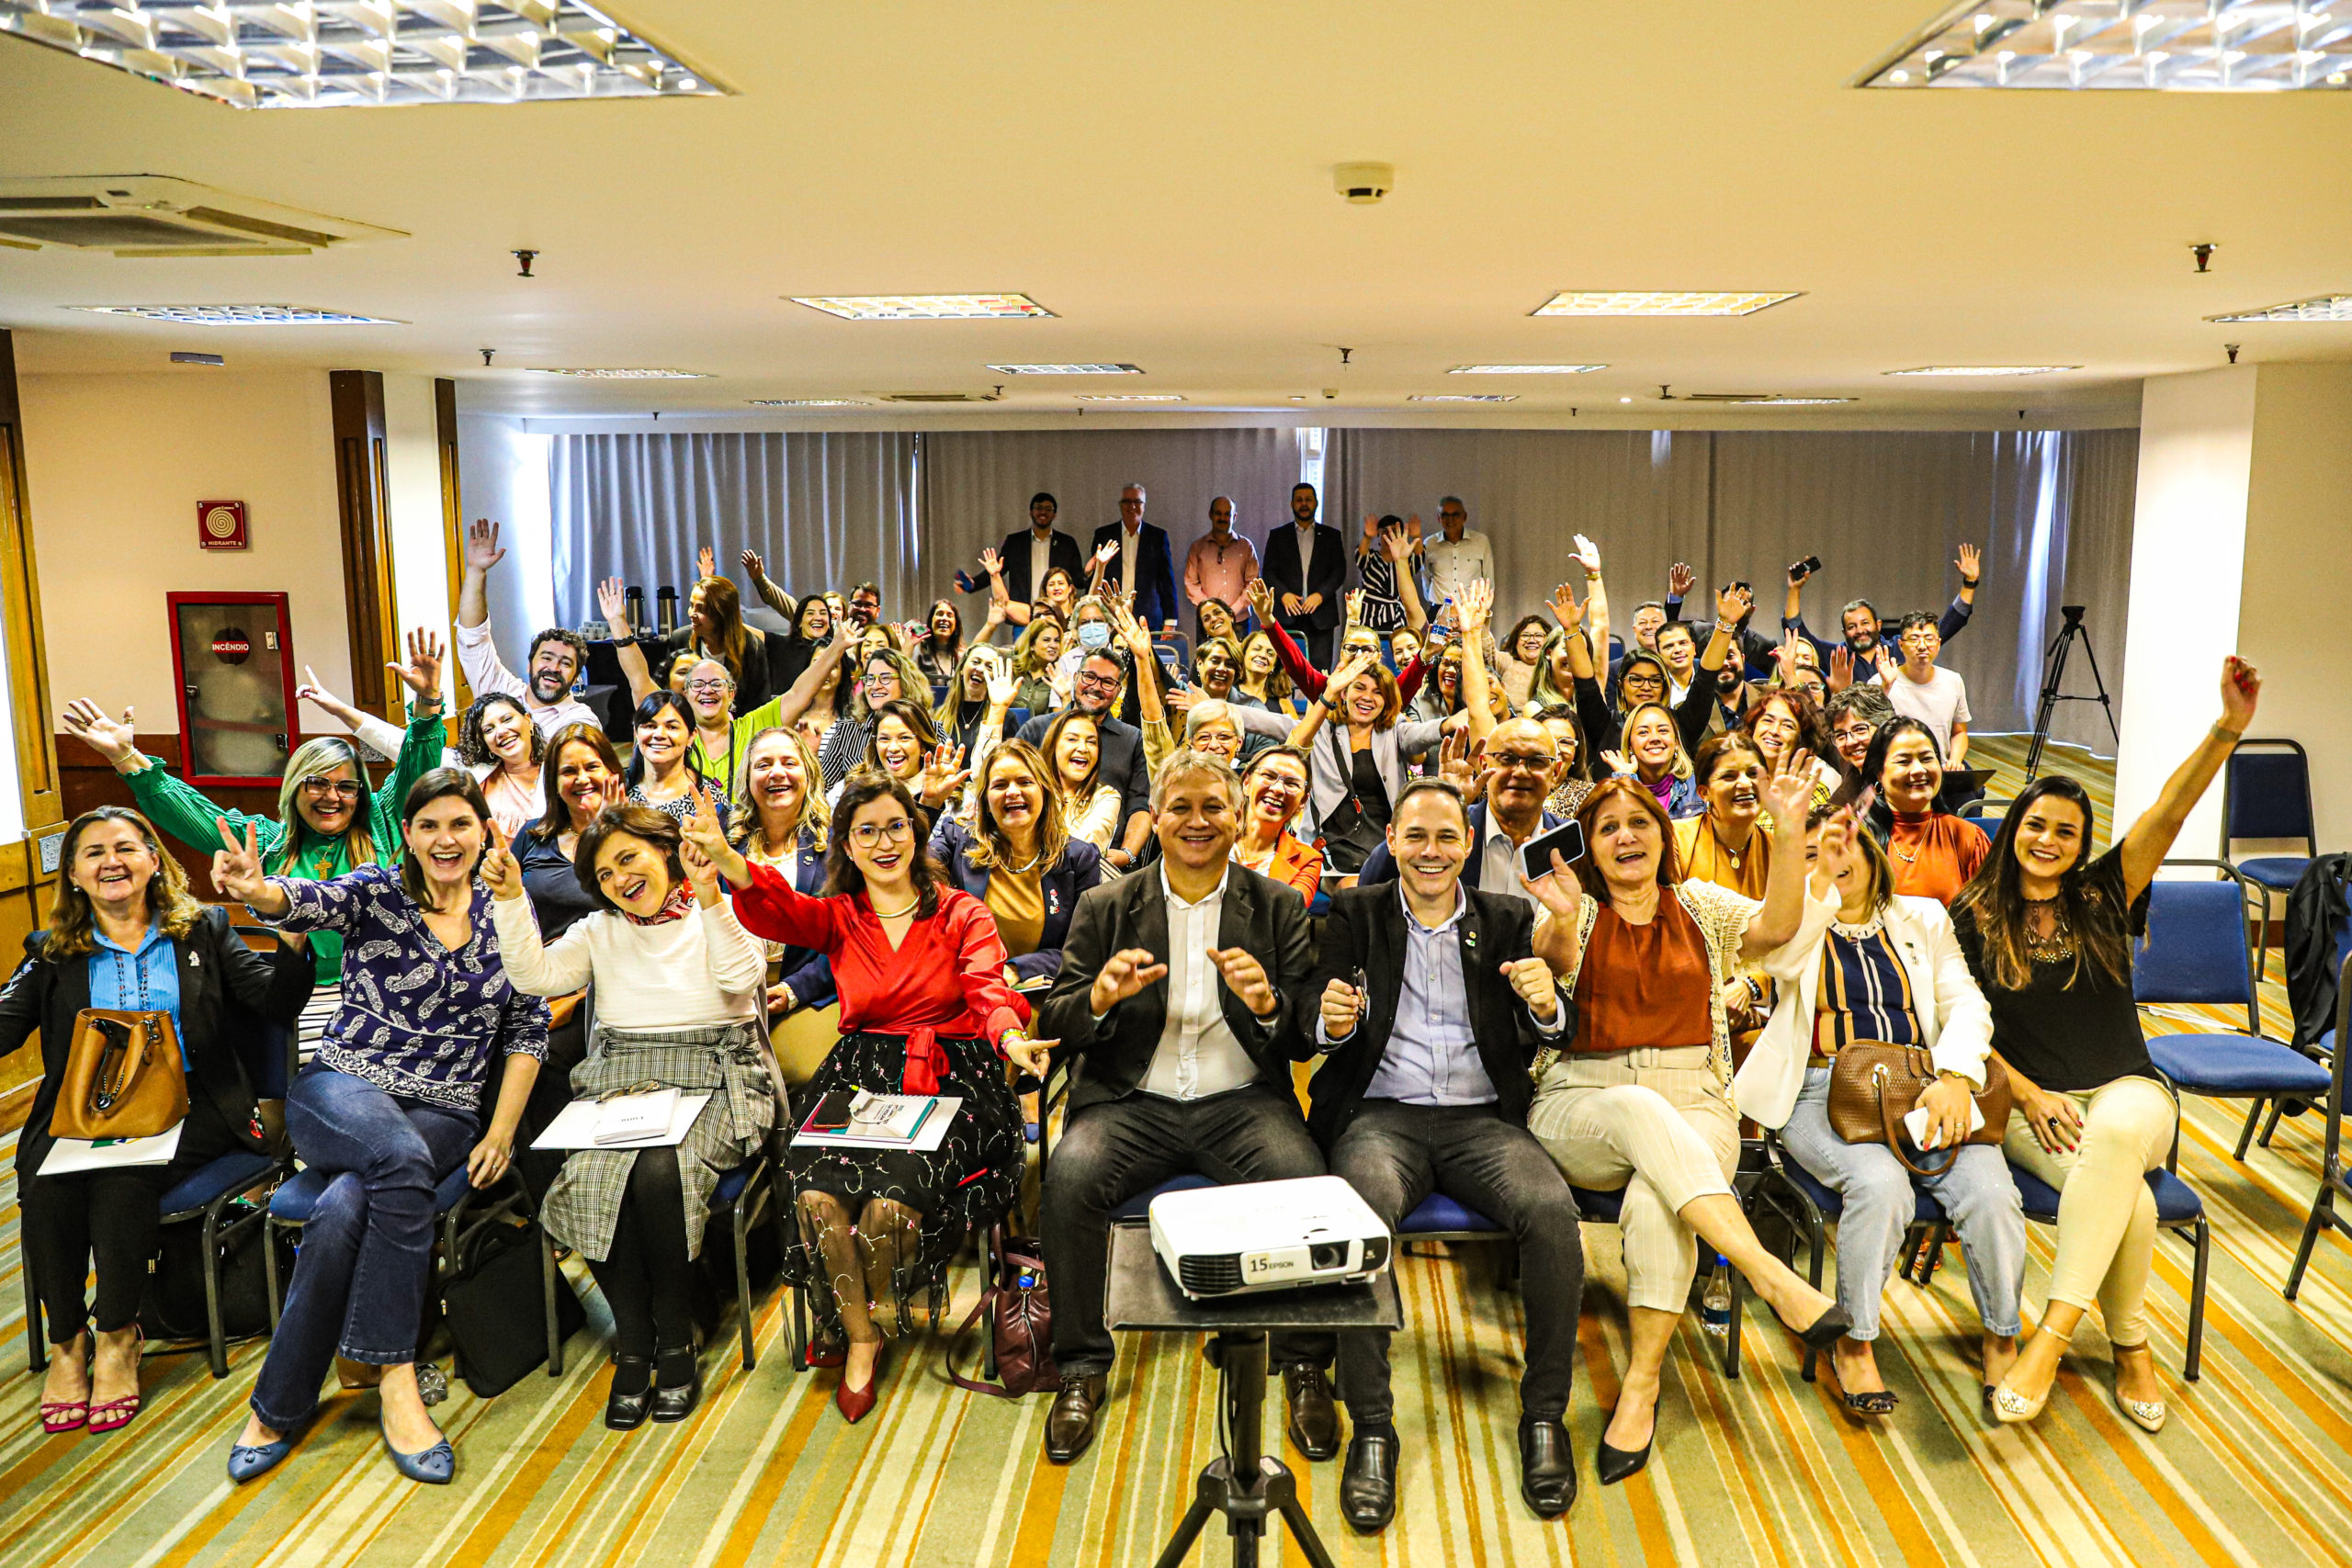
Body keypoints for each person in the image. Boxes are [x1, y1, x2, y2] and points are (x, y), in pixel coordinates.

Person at [220, 770, 548, 1486]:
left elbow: (529, 1024)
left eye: (459, 823)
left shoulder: (508, 909)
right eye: (427, 824)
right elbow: (304, 899)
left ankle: (274, 1406)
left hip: (447, 1109)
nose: (444, 839)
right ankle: (393, 1370)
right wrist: (256, 889)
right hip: (341, 1087)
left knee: (343, 1206)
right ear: (407, 832)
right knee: (395, 1159)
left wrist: (500, 1130)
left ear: (484, 830)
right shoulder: (376, 888)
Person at [1959, 656, 2261, 1432]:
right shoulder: (1973, 917)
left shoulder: (2102, 896)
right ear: (2011, 830)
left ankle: (2050, 1339)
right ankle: (2132, 1346)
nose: (2049, 840)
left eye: (2067, 830)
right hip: (2036, 1110)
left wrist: (2227, 729)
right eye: (2035, 824)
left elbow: (2170, 808)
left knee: (2120, 1136)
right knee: (2121, 1193)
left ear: (2084, 843)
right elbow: (1955, 1027)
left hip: (2131, 1092)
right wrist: (2025, 1091)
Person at [1521, 774, 1850, 1485]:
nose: (1625, 836)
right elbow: (1554, 961)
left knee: (1655, 1198)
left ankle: (1640, 1384)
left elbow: (1776, 928)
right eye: (1606, 827)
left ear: (1663, 835)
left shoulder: (1699, 904)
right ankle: (1767, 1273)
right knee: (1641, 1113)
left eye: (1638, 822)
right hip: (1582, 1099)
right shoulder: (1572, 909)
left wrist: (1790, 833)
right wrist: (1560, 914)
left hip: (1696, 1096)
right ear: (1590, 847)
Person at [695, 773, 1053, 1424]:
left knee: (892, 1205)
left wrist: (1010, 1039)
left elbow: (987, 986)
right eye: (866, 831)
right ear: (847, 845)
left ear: (917, 833)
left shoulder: (959, 911)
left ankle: (851, 1314)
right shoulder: (840, 915)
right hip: (859, 1075)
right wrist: (724, 858)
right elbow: (776, 909)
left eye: (896, 826)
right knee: (814, 1194)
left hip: (951, 1072)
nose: (884, 841)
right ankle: (863, 1331)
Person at [1035, 751, 1333, 1463]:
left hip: (1240, 1101)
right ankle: (1080, 1365)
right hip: (1131, 1102)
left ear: (1237, 816)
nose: (1197, 821)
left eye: (1213, 807)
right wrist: (1099, 997)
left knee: (1306, 1178)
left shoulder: (1277, 905)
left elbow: (1297, 1033)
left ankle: (1302, 1363)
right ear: (1157, 819)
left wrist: (1267, 1005)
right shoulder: (1108, 905)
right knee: (1069, 1179)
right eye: (1180, 808)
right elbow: (1060, 1017)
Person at [1309, 779, 1584, 1525]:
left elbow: (1559, 1026)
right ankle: (1372, 1425)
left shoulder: (1506, 917)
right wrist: (1332, 1022)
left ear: (1466, 845)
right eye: (1416, 836)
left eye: (1446, 837)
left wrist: (1546, 1001)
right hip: (1381, 1118)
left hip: (1481, 1120)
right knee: (1357, 1221)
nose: (1431, 850)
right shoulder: (1354, 914)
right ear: (1391, 842)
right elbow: (1314, 1016)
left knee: (1552, 1214)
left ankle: (1544, 1416)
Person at [11, 807, 312, 1437]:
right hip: (83, 1112)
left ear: (154, 859)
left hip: (194, 1105)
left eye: (125, 847)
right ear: (73, 873)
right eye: (93, 852)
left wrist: (289, 931)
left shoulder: (202, 930)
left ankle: (118, 1333)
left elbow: (275, 1003)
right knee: (47, 1182)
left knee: (120, 1178)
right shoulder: (52, 951)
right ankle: (68, 1341)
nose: (110, 861)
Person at [486, 799, 773, 1429]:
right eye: (605, 872)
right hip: (622, 1078)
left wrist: (709, 894)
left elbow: (740, 976)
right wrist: (510, 897)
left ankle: (674, 1341)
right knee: (590, 1175)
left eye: (629, 859)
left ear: (665, 852)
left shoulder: (713, 909)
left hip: (716, 1075)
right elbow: (535, 976)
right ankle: (635, 1343)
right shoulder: (599, 930)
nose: (620, 879)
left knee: (657, 1172)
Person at [1735, 804, 2022, 1416]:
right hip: (1821, 1093)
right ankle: (1857, 1343)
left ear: (1871, 851)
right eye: (1815, 853)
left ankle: (2001, 1335)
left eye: (1844, 846)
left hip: (1924, 1089)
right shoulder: (1796, 926)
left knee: (1992, 1191)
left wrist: (1953, 1077)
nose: (1835, 860)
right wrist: (1816, 887)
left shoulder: (1922, 917)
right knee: (1880, 1183)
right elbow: (1780, 965)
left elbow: (1966, 1003)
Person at [62, 632, 452, 1059]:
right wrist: (128, 759)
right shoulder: (266, 841)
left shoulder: (382, 819)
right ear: (294, 787)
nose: (331, 796)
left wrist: (429, 704)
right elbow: (194, 814)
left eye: (346, 786)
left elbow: (418, 761)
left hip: (394, 982)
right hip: (307, 994)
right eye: (317, 783)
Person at [931, 740, 1101, 985]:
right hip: (963, 993)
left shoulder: (1078, 859)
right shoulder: (957, 840)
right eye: (1000, 785)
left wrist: (1015, 971)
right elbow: (908, 872)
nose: (1012, 792)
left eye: (1024, 782)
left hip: (1040, 997)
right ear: (986, 803)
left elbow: (1086, 950)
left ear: (1044, 790)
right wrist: (929, 803)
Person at [1358, 716, 1568, 904]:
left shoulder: (1571, 844)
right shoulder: (1452, 830)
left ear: (1556, 773)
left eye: (1538, 762)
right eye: (1507, 759)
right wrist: (1441, 805)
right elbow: (1371, 884)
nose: (1521, 772)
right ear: (1484, 766)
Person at [1288, 649, 1453, 879]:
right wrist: (1223, 710)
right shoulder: (1322, 730)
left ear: (1386, 701)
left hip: (1389, 846)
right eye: (1360, 688)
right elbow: (1289, 742)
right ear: (1344, 692)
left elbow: (1424, 733)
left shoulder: (1395, 730)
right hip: (1336, 853)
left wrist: (1453, 723)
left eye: (1378, 692)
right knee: (1358, 894)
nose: (1368, 697)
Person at [728, 727, 839, 1029]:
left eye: (789, 763)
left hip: (805, 987)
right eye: (763, 765)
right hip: (726, 992)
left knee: (802, 1074)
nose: (777, 773)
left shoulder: (837, 844)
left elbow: (852, 935)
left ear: (809, 774)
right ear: (747, 778)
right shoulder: (722, 841)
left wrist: (795, 990)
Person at [1014, 644, 1154, 872]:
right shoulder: (1036, 728)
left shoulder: (1133, 739)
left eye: (1107, 682)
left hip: (1106, 861)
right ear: (1076, 677)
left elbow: (1141, 805)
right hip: (1034, 855)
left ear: (1118, 690)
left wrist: (1126, 855)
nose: (1096, 687)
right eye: (1089, 677)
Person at [455, 519, 599, 736]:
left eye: (566, 663)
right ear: (529, 665)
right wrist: (476, 571)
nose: (554, 668)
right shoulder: (501, 690)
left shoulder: (580, 720)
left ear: (577, 676)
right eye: (547, 658)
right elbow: (473, 637)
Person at [1782, 544, 1982, 666]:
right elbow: (1796, 634)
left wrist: (1969, 583)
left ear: (1878, 626)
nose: (1860, 630)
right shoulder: (1837, 657)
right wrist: (1794, 590)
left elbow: (1949, 624)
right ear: (1844, 633)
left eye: (1865, 623)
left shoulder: (1900, 648)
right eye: (1852, 627)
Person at [1861, 718, 1986, 906]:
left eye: (1927, 758)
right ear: (1879, 773)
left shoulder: (1966, 837)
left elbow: (1994, 917)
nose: (1919, 770)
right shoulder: (1859, 838)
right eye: (1904, 761)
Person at [518, 725, 624, 941]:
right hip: (542, 965)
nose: (582, 779)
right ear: (554, 783)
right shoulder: (531, 835)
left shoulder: (637, 837)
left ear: (612, 772)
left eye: (592, 767)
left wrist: (607, 830)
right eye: (569, 771)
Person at [1673, 733, 1774, 900]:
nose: (1745, 784)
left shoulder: (1778, 850)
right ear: (1704, 792)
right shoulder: (1676, 839)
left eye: (1753, 774)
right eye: (1729, 776)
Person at [819, 644, 929, 789]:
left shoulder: (929, 728)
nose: (875, 686)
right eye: (870, 678)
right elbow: (824, 790)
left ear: (905, 682)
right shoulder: (845, 731)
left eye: (885, 678)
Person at [1261, 481, 1348, 666]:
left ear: (1316, 503)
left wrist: (1320, 595)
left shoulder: (1332, 536)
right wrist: (1283, 595)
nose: (1304, 504)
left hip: (1321, 615)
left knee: (1320, 673)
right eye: (1299, 500)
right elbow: (1268, 572)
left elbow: (1339, 572)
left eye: (1308, 499)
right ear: (1292, 504)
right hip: (1286, 614)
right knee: (1282, 671)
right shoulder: (1278, 536)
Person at [1878, 613, 1972, 775]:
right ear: (1900, 644)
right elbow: (1872, 731)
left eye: (1929, 639)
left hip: (1941, 768)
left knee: (1973, 793)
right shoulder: (1882, 681)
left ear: (1938, 643)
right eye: (1914, 639)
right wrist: (1886, 685)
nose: (1922, 645)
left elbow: (1959, 732)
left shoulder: (1953, 680)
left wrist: (1955, 760)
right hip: (1899, 770)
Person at [626, 690, 729, 831]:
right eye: (650, 726)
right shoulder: (618, 790)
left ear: (691, 736)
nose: (659, 734)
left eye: (672, 727)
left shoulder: (709, 799)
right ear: (636, 733)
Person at [1232, 744, 1321, 902]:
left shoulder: (1307, 861)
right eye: (1269, 776)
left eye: (1292, 783)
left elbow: (1286, 914)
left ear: (1303, 801)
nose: (1278, 789)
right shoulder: (1211, 838)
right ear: (1246, 783)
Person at [1090, 483, 1181, 632]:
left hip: (1148, 618)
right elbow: (1096, 578)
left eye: (1137, 502)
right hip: (1110, 616)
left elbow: (1167, 581)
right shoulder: (1104, 534)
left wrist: (1170, 621)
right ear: (1120, 505)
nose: (1132, 506)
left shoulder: (1157, 536)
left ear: (1144, 506)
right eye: (1127, 501)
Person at [974, 491, 1083, 615]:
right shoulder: (1015, 542)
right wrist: (969, 585)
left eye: (1048, 509)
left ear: (1054, 515)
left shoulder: (1067, 543)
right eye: (1038, 508)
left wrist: (1094, 566)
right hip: (1023, 614)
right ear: (1031, 512)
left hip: (1059, 614)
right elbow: (997, 570)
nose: (1043, 512)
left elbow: (1078, 580)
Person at [1183, 495, 1261, 639]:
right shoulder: (1198, 547)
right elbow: (1191, 584)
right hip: (1208, 623)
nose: (1223, 518)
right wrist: (1213, 612)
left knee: (1239, 662)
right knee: (1207, 662)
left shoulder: (1246, 547)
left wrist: (1231, 612)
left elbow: (1253, 584)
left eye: (1227, 514)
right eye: (1218, 513)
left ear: (1234, 517)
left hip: (1238, 622)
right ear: (1210, 515)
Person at [1419, 495, 1492, 609]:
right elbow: (1426, 578)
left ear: (1465, 517)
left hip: (1471, 611)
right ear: (1439, 518)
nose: (1450, 520)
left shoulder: (1481, 542)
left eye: (1455, 515)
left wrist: (1482, 609)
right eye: (1445, 515)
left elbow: (1488, 579)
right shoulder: (1429, 544)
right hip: (1439, 612)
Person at [1008, 616, 1068, 717]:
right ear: (1032, 644)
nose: (1053, 645)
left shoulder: (1059, 676)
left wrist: (1066, 695)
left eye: (1057, 640)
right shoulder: (1011, 665)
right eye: (1046, 640)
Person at [912, 599, 967, 706]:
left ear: (956, 625)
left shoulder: (962, 656)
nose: (944, 619)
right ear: (931, 622)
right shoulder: (918, 650)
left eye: (949, 615)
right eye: (939, 614)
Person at [1235, 627, 1296, 713]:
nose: (1263, 655)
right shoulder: (1226, 691)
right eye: (1256, 649)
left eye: (1270, 654)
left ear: (1274, 665)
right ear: (1244, 654)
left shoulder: (1284, 704)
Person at [1498, 615, 1553, 710]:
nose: (1531, 640)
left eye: (1539, 635)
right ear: (1515, 642)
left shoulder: (1557, 666)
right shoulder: (1506, 661)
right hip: (1510, 722)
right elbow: (1485, 651)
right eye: (1525, 635)